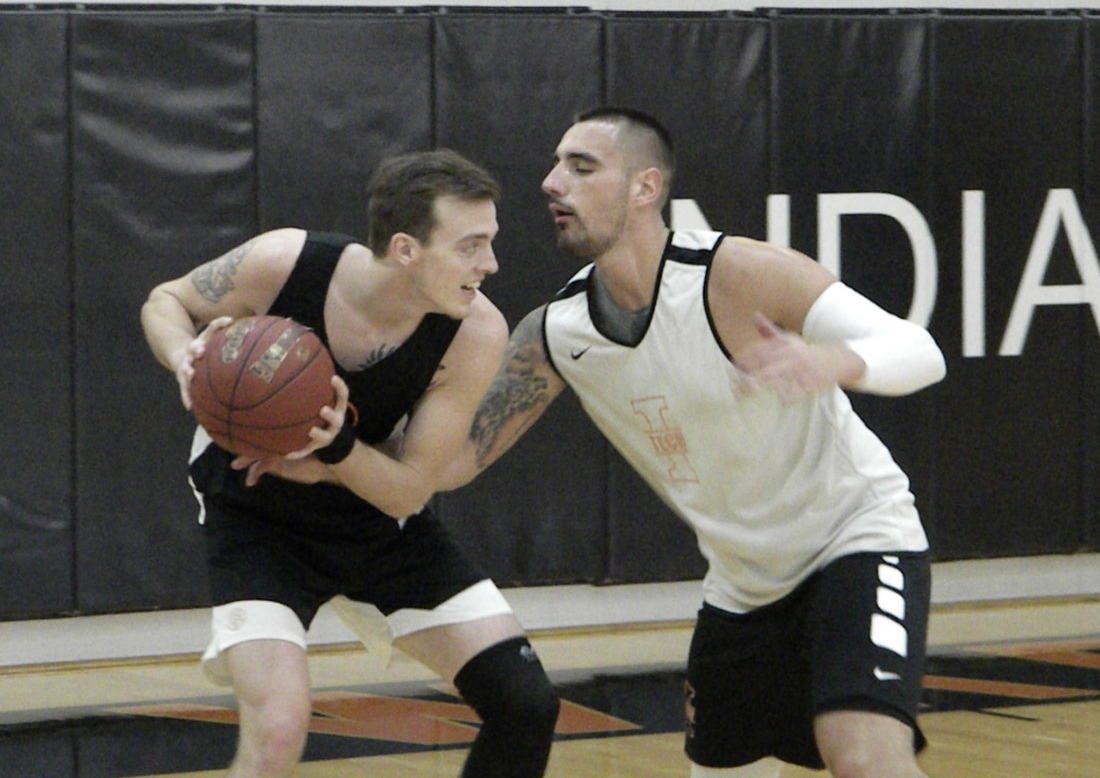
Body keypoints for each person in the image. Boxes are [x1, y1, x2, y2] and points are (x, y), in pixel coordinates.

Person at [446, 109, 947, 778]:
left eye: (581, 167)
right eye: (556, 164)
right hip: (741, 587)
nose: (551, 182)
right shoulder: (556, 333)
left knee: (863, 756)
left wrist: (837, 360)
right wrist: (337, 439)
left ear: (645, 187)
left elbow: (920, 350)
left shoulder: (738, 273)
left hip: (856, 541)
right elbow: (455, 459)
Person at [140, 148, 560, 778]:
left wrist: (333, 451)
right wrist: (184, 356)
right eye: (471, 246)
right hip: (255, 516)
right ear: (406, 249)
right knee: (277, 732)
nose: (491, 264)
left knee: (525, 703)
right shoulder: (284, 263)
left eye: (490, 242)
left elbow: (407, 492)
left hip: (374, 518)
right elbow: (166, 300)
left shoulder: (475, 332)